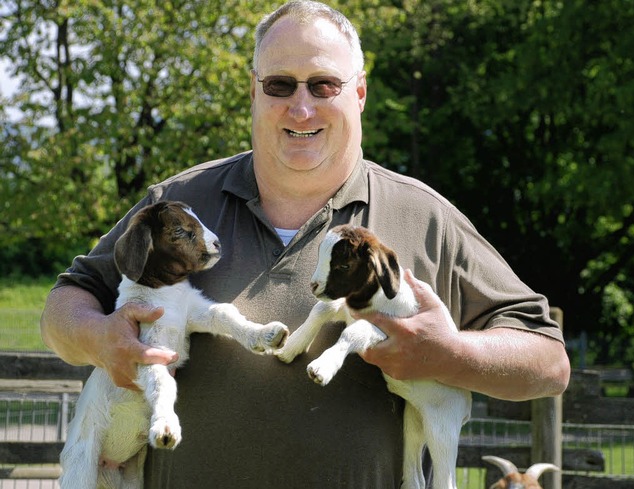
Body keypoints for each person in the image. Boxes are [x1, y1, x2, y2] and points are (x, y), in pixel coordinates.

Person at [40, 1, 570, 488]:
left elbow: (549, 362)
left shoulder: (424, 215)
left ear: (359, 93)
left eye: (323, 85)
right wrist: (98, 336)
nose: (301, 108)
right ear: (253, 90)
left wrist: (450, 354)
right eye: (279, 85)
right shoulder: (178, 204)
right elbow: (66, 303)